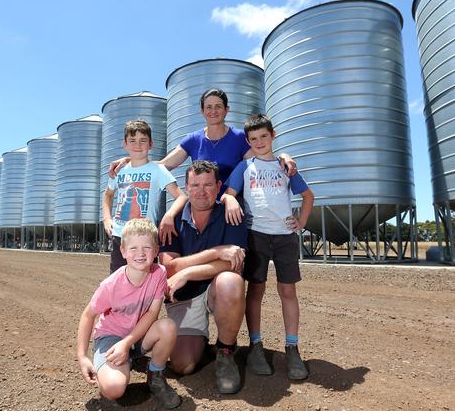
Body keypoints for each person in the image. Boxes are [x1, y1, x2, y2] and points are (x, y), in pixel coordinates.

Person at [107, 88, 296, 245]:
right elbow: (164, 165)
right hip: (201, 203)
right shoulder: (193, 139)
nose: (213, 111)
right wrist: (130, 160)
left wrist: (283, 156)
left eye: (218, 107)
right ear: (202, 111)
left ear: (227, 110)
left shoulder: (239, 138)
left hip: (230, 206)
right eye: (208, 107)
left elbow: (261, 159)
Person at [222, 114, 314, 380]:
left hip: (284, 236)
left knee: (287, 290)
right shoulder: (245, 166)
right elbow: (229, 192)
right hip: (256, 235)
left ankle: (293, 347)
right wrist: (229, 200)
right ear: (249, 142)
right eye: (253, 139)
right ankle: (256, 345)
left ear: (272, 136)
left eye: (264, 136)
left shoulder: (286, 168)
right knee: (256, 290)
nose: (259, 142)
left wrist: (302, 221)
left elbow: (308, 196)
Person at [158, 160, 247, 394]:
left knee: (231, 280)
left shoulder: (232, 213)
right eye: (195, 184)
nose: (201, 191)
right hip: (184, 297)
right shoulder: (171, 221)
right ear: (186, 187)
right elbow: (170, 267)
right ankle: (202, 343)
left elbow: (233, 261)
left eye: (208, 184)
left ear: (218, 186)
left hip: (215, 290)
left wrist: (188, 271)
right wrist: (217, 252)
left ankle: (226, 351)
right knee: (182, 365)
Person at [76, 218, 181, 409]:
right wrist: (82, 357)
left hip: (136, 336)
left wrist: (128, 343)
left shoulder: (159, 273)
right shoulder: (111, 285)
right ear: (123, 251)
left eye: (147, 248)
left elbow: (152, 314)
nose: (140, 254)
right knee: (114, 389)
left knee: (168, 327)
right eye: (133, 248)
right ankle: (117, 365)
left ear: (156, 250)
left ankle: (155, 376)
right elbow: (87, 315)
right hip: (111, 337)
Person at [103, 119, 185, 273]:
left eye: (143, 140)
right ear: (125, 144)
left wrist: (169, 215)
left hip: (146, 237)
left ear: (151, 144)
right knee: (119, 280)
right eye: (132, 140)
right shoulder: (119, 171)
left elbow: (181, 197)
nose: (138, 145)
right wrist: (107, 218)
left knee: (144, 282)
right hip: (121, 236)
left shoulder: (158, 170)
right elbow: (108, 195)